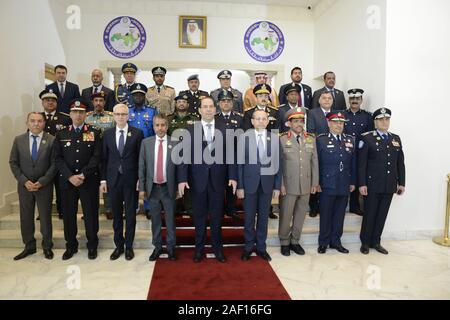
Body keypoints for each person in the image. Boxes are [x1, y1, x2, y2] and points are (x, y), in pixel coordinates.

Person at [177, 97, 237, 263]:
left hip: (218, 181)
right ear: (200, 110)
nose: (209, 109)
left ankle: (218, 250)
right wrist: (182, 179)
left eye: (211, 106)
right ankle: (199, 250)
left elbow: (231, 156)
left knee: (217, 218)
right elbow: (184, 157)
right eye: (205, 107)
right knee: (199, 218)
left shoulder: (226, 129)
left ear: (215, 109)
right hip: (197, 181)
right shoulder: (190, 130)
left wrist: (232, 176)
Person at [54, 99, 101, 260]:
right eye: (75, 111)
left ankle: (92, 245)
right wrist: (70, 176)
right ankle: (71, 246)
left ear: (86, 114)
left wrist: (83, 175)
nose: (78, 115)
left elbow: (96, 157)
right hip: (68, 182)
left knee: (91, 214)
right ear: (70, 114)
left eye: (81, 112)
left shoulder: (93, 132)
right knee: (68, 215)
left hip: (88, 181)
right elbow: (57, 158)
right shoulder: (61, 133)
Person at [9, 112, 56, 260]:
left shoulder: (52, 140)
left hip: (44, 186)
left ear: (44, 123)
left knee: (45, 217)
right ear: (27, 123)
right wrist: (24, 181)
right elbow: (13, 162)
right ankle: (29, 246)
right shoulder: (19, 140)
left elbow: (55, 163)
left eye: (39, 121)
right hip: (25, 187)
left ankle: (47, 246)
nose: (36, 123)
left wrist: (42, 181)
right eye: (33, 121)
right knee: (26, 217)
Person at [358, 107, 405, 255]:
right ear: (375, 122)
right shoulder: (367, 138)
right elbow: (362, 164)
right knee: (370, 214)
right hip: (372, 184)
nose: (385, 122)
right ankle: (365, 242)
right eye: (381, 119)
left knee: (382, 214)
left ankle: (376, 241)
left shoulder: (395, 138)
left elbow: (400, 163)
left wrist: (402, 183)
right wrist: (362, 183)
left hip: (389, 184)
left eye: (387, 119)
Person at [101, 104, 144, 261]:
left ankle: (129, 246)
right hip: (113, 180)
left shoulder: (137, 133)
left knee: (131, 215)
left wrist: (140, 178)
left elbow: (141, 158)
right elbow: (104, 159)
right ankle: (118, 246)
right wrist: (103, 179)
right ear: (113, 115)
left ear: (128, 116)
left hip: (131, 180)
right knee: (117, 215)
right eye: (117, 114)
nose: (120, 117)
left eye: (123, 114)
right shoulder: (107, 134)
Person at [237, 109, 282, 262]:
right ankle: (248, 247)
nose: (261, 121)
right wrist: (240, 187)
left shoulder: (275, 139)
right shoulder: (244, 138)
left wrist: (277, 186)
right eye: (258, 119)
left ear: (268, 121)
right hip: (249, 184)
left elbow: (278, 164)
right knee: (249, 218)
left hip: (267, 185)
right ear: (252, 121)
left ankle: (261, 248)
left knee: (263, 218)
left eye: (264, 119)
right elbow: (240, 165)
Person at [279, 109, 319, 256]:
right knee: (286, 214)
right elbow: (279, 164)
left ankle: (295, 241)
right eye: (295, 121)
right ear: (289, 123)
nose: (299, 124)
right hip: (288, 184)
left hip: (306, 184)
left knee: (301, 214)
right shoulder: (282, 139)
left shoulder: (310, 138)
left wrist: (315, 183)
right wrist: (281, 184)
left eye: (301, 121)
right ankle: (284, 241)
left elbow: (314, 161)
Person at [316, 112, 356, 254]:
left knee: (340, 214)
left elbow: (353, 163)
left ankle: (336, 241)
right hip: (327, 183)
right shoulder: (321, 140)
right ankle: (323, 242)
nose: (339, 125)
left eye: (341, 122)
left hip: (344, 182)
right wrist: (317, 182)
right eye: (335, 122)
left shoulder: (350, 139)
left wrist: (353, 181)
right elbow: (317, 163)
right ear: (329, 123)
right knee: (326, 214)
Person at [139, 115, 178, 261]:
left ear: (167, 126)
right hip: (153, 188)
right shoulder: (146, 143)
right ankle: (157, 246)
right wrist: (142, 188)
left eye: (163, 125)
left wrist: (179, 187)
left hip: (169, 188)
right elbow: (141, 167)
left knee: (170, 219)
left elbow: (179, 167)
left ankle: (171, 247)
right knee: (155, 219)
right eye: (157, 125)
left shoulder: (175, 143)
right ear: (153, 127)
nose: (160, 128)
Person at [39, 88, 71, 219]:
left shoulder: (65, 118)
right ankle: (43, 212)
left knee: (61, 187)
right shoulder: (37, 118)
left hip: (59, 158)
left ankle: (62, 210)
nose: (50, 102)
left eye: (53, 100)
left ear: (57, 102)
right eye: (47, 100)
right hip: (42, 159)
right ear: (42, 102)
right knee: (43, 187)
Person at [167, 94, 199, 216]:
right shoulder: (169, 119)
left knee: (189, 182)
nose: (181, 103)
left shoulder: (195, 119)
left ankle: (190, 208)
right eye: (179, 101)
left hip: (190, 155)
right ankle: (176, 207)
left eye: (184, 102)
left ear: (188, 104)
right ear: (175, 104)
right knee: (174, 182)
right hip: (173, 155)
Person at [86, 91, 115, 220]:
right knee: (91, 184)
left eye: (101, 101)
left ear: (104, 102)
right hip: (91, 155)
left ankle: (109, 208)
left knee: (107, 182)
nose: (98, 103)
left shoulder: (111, 117)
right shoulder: (87, 117)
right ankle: (91, 209)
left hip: (107, 154)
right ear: (92, 102)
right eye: (96, 101)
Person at [344, 88, 373, 215]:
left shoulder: (368, 116)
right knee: (345, 176)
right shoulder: (343, 115)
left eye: (357, 98)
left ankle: (355, 205)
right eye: (352, 99)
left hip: (361, 153)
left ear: (361, 100)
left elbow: (370, 134)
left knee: (358, 176)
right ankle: (343, 203)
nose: (354, 101)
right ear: (348, 100)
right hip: (345, 151)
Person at [215, 89, 243, 218]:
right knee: (219, 186)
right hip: (218, 159)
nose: (226, 103)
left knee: (232, 185)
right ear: (219, 103)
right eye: (223, 101)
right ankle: (219, 209)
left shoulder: (240, 118)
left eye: (228, 101)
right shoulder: (214, 119)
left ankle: (231, 209)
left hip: (235, 157)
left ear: (232, 103)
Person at [306, 91, 334, 218]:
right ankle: (313, 206)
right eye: (324, 98)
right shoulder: (312, 113)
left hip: (334, 153)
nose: (327, 100)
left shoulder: (337, 113)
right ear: (319, 100)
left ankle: (325, 206)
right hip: (318, 150)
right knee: (316, 177)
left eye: (329, 98)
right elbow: (311, 132)